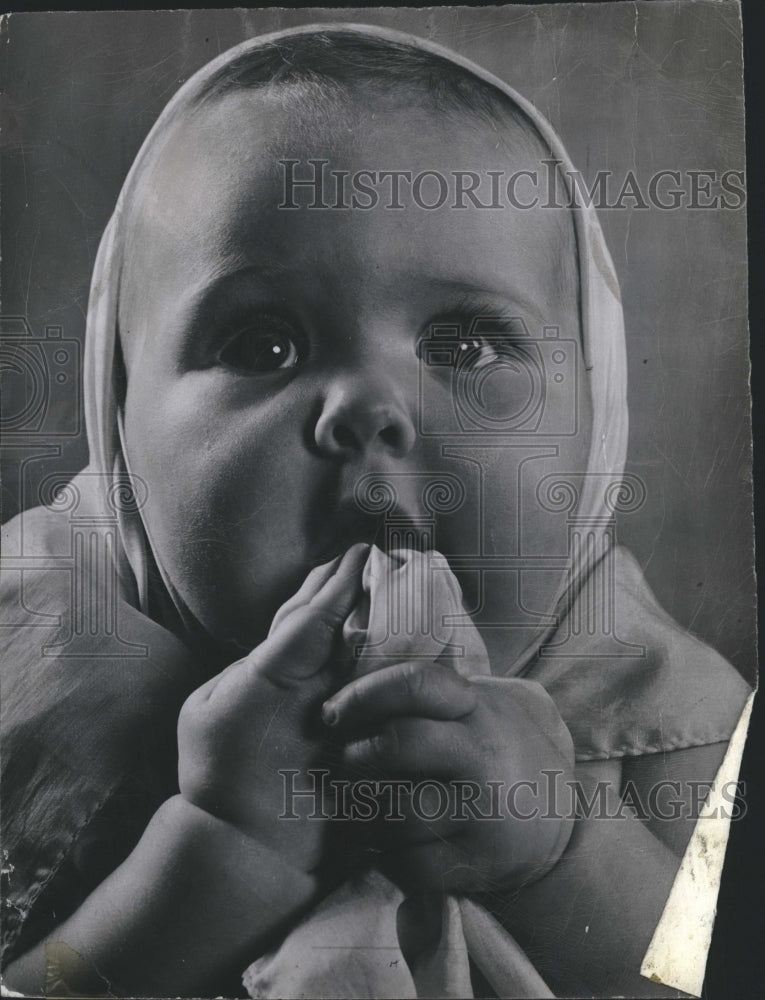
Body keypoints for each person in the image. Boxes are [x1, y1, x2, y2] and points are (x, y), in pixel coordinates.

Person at [0, 25, 751, 999]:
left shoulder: (671, 720)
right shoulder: (37, 659)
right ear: (119, 424)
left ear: (596, 418)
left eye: (463, 345)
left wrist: (564, 853)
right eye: (264, 344)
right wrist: (220, 858)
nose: (366, 405)